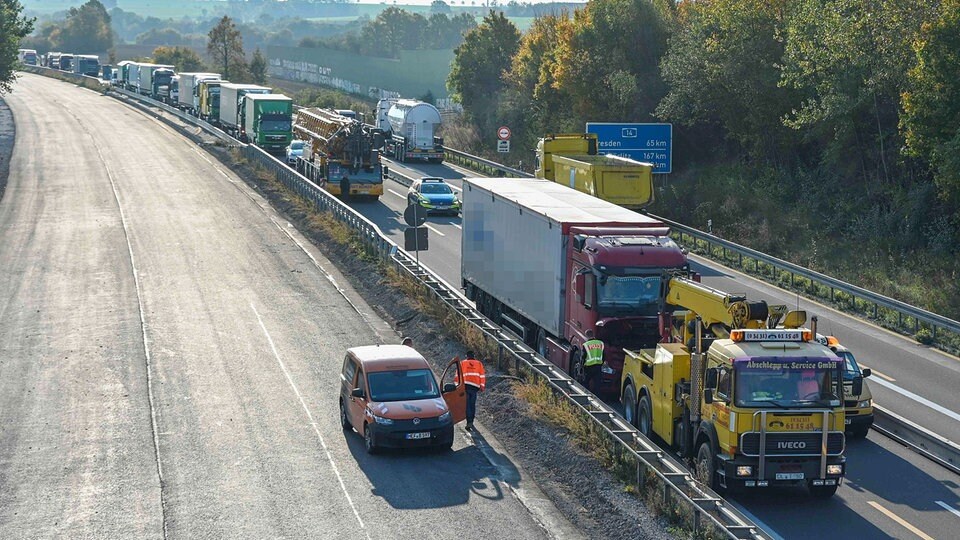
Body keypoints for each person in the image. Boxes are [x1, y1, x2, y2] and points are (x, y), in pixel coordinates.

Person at [458, 350, 486, 430]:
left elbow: (458, 375)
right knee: (472, 404)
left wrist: (457, 386)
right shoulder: (479, 364)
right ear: (474, 356)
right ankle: (471, 421)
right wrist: (482, 386)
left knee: (467, 405)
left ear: (467, 356)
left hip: (465, 387)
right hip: (474, 388)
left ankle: (469, 421)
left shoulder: (462, 363)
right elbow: (482, 376)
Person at [582, 329, 604, 394]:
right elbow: (604, 355)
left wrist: (582, 365)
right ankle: (597, 398)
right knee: (597, 384)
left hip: (588, 367)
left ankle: (587, 395)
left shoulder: (586, 345)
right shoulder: (600, 343)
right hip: (598, 366)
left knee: (585, 382)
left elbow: (583, 356)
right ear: (593, 335)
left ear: (586, 336)